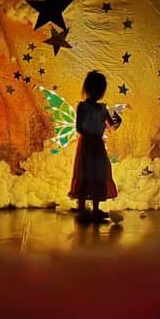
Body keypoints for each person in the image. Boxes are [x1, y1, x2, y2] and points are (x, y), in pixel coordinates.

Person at [68, 70, 121, 221]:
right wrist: (91, 134)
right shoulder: (82, 107)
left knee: (98, 174)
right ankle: (82, 208)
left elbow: (112, 126)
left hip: (96, 146)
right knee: (85, 174)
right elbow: (79, 127)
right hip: (87, 145)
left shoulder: (102, 108)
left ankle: (96, 210)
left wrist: (117, 121)